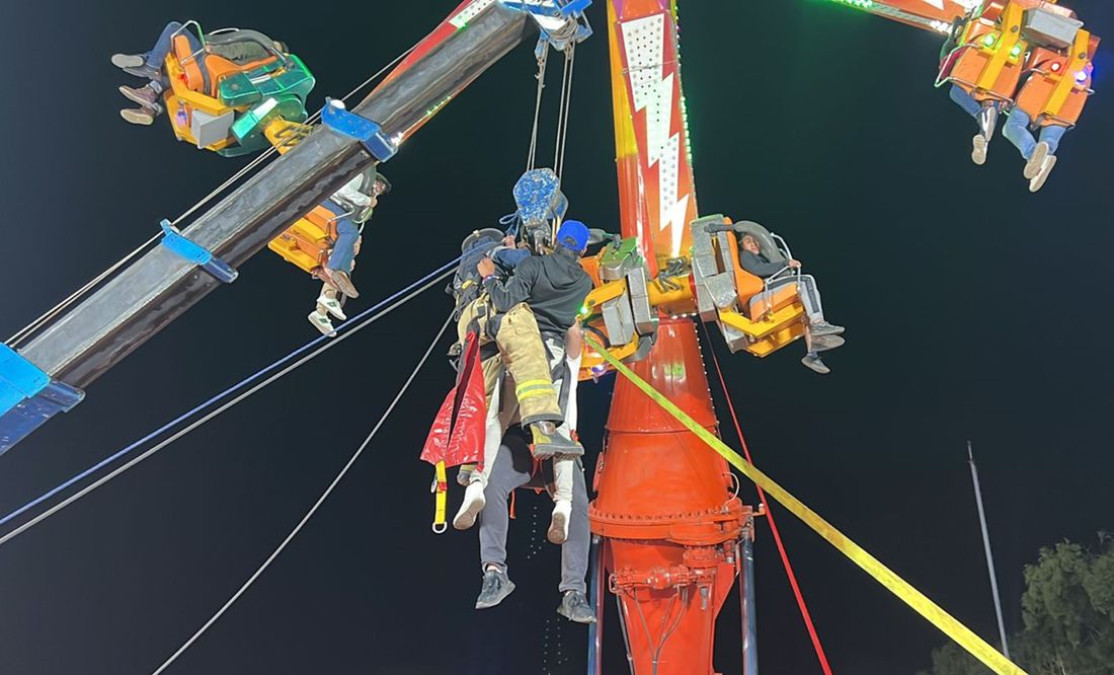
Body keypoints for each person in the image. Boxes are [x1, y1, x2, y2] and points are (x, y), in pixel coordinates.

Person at [451, 223, 590, 546]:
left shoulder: (533, 265)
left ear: (556, 240)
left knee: (495, 421)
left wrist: (490, 273)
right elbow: (570, 323)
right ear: (582, 251)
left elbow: (505, 298)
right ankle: (564, 507)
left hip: (518, 347)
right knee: (564, 430)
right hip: (554, 356)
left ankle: (475, 485)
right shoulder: (584, 281)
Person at [473, 426, 596, 624]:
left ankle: (574, 593)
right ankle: (494, 572)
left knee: (576, 502)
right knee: (490, 483)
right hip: (518, 442)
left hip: (558, 441)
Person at [112, 22, 287, 126]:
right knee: (173, 69)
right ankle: (150, 104)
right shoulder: (262, 70)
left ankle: (148, 63)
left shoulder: (262, 47)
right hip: (214, 83)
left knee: (174, 29)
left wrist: (214, 48)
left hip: (209, 67)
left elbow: (236, 49)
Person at [738, 233, 844, 375]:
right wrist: (785, 264)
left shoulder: (761, 258)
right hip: (764, 291)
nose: (754, 243)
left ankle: (813, 354)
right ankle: (819, 323)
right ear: (741, 245)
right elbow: (758, 270)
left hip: (769, 288)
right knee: (806, 280)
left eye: (755, 241)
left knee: (806, 311)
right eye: (748, 241)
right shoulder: (745, 255)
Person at [307, 167, 389, 335]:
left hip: (337, 216)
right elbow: (343, 190)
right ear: (376, 180)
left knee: (349, 260)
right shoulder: (359, 178)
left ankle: (322, 309)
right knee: (348, 235)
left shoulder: (366, 199)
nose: (378, 191)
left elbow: (358, 220)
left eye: (381, 191)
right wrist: (367, 200)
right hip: (327, 203)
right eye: (379, 186)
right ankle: (332, 268)